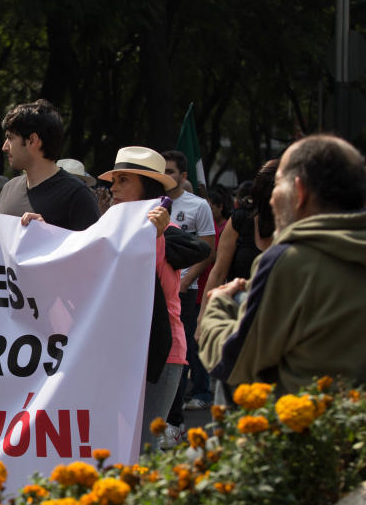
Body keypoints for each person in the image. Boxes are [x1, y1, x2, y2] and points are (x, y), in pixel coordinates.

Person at [199, 134, 366, 395]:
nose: (272, 200)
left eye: (278, 187)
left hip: (309, 428)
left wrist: (219, 305)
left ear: (300, 192)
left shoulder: (290, 261)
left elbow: (232, 364)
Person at [99, 147, 207, 451]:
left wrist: (157, 235)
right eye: (113, 180)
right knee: (117, 445)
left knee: (144, 448)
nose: (113, 188)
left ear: (146, 188)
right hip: (120, 353)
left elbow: (199, 249)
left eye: (123, 180)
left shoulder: (169, 235)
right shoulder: (106, 232)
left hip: (161, 354)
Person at [0, 99, 100, 230]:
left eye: (10, 138)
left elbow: (95, 249)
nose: (4, 147)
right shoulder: (8, 189)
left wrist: (47, 234)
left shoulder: (77, 195)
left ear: (33, 140)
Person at [160, 149, 215, 430]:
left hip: (185, 289)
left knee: (179, 352)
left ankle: (175, 419)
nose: (166, 176)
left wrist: (184, 281)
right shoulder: (151, 203)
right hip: (157, 289)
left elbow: (207, 250)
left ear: (183, 176)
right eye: (162, 171)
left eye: (171, 171)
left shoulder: (198, 206)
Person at [201, 160, 277, 300]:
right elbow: (218, 273)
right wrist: (202, 319)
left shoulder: (300, 225)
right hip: (238, 313)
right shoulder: (240, 220)